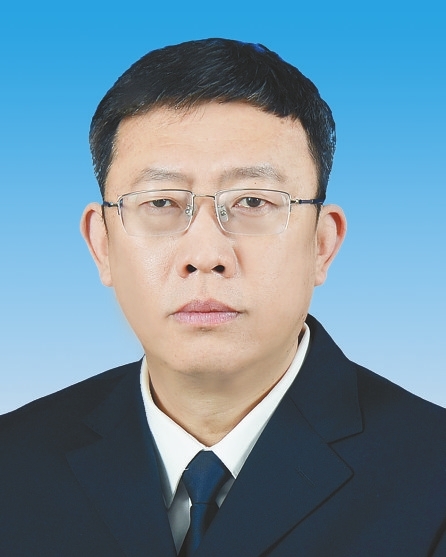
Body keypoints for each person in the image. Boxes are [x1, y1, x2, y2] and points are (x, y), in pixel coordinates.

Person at [1, 38, 445, 557]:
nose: (206, 255)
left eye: (252, 201)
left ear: (322, 245)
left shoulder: (433, 479)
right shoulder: (14, 463)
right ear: (102, 245)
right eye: (161, 202)